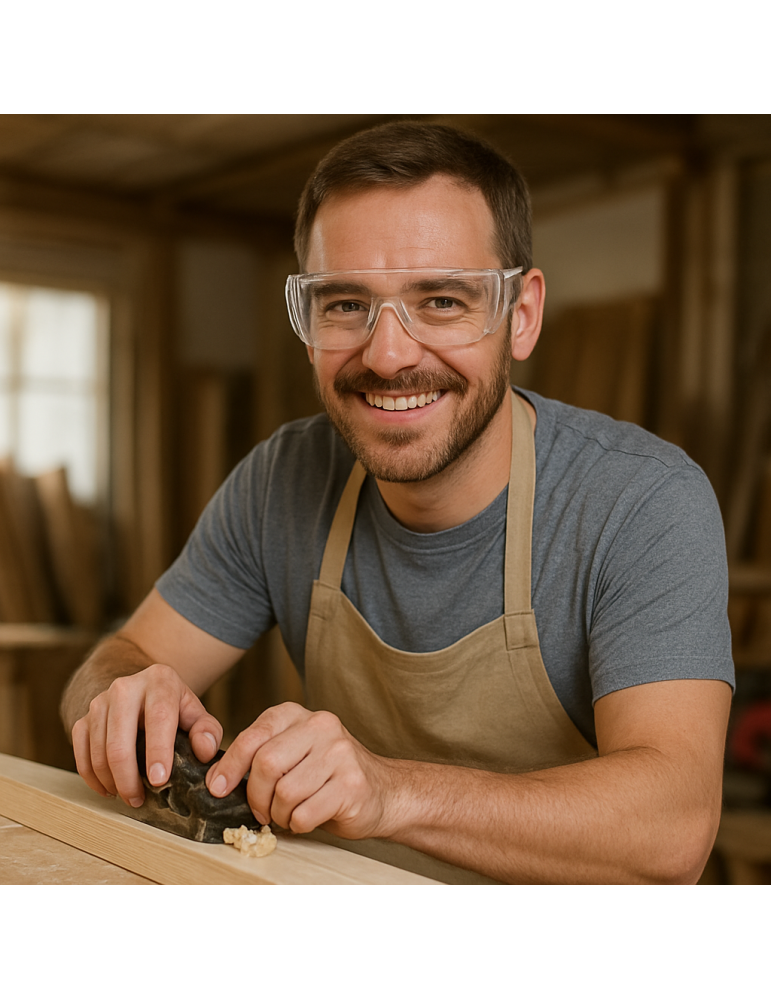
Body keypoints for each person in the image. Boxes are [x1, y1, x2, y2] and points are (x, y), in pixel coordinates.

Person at [61, 122, 734, 884]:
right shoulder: (281, 479)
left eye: (441, 300)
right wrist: (118, 694)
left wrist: (391, 793)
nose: (388, 355)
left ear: (520, 315)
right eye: (346, 304)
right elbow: (120, 658)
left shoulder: (638, 500)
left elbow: (672, 826)